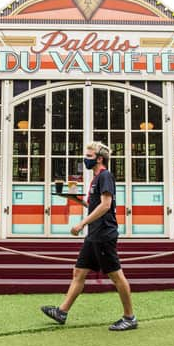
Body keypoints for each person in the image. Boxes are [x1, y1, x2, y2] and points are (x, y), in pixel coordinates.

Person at [41, 141, 137, 331]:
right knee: (79, 272)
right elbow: (94, 205)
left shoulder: (105, 176)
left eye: (89, 156)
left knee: (116, 275)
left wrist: (82, 223)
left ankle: (130, 317)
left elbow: (106, 205)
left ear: (99, 159)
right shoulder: (95, 179)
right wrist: (75, 200)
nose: (85, 158)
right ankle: (62, 312)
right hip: (93, 235)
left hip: (103, 234)